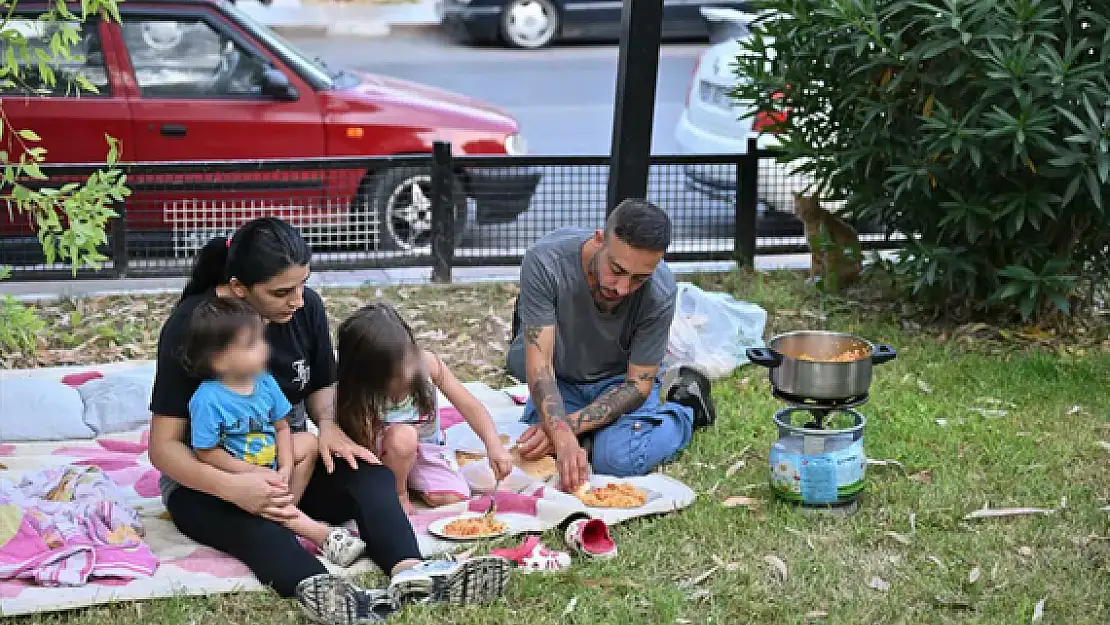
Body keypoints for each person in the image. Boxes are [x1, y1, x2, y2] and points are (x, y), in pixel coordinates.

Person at [148, 217, 511, 625]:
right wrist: (234, 487)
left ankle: (413, 574)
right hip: (209, 481)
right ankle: (341, 599)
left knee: (370, 473)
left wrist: (329, 427)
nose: (298, 300)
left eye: (303, 284)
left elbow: (321, 386)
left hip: (289, 466)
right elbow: (163, 447)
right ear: (238, 289)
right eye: (282, 292)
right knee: (259, 531)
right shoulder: (195, 327)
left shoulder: (305, 309)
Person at [505, 198, 717, 493]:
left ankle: (687, 409)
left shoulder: (661, 289)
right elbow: (540, 366)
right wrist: (562, 434)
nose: (622, 288)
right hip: (563, 379)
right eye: (616, 270)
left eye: (639, 279)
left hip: (618, 383)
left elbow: (637, 385)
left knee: (617, 460)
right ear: (599, 239)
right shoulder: (545, 262)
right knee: (536, 446)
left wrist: (565, 430)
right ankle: (593, 438)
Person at [182, 295, 365, 567]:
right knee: (265, 485)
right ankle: (321, 535)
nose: (264, 349)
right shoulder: (207, 400)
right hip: (240, 472)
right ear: (220, 361)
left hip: (273, 466)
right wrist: (250, 472)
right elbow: (206, 453)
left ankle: (283, 509)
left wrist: (287, 466)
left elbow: (282, 427)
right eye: (252, 345)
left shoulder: (265, 382)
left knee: (308, 442)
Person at [334, 302, 513, 515]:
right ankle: (399, 493)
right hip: (380, 452)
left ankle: (413, 479)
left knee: (451, 498)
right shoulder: (356, 392)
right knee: (403, 437)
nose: (408, 374)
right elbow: (359, 444)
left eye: (409, 362)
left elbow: (470, 405)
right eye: (396, 376)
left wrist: (493, 444)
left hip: (425, 449)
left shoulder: (427, 364)